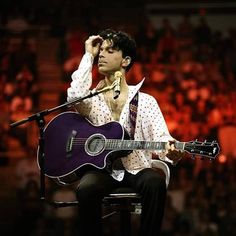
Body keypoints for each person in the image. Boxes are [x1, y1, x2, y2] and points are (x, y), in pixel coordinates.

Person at [67, 29, 183, 236]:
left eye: (109, 51)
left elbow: (162, 137)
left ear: (125, 60)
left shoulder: (146, 101)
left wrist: (171, 151)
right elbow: (74, 95)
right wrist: (88, 55)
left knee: (154, 182)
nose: (101, 54)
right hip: (102, 171)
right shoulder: (91, 100)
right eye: (100, 50)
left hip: (137, 169)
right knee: (86, 188)